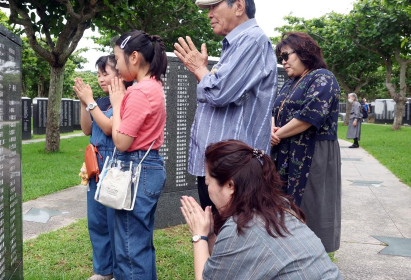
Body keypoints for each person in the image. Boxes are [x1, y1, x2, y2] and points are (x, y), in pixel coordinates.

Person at [180, 140, 342, 280]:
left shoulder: (240, 227)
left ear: (230, 186)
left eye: (208, 183)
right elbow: (226, 269)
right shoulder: (280, 207)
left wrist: (199, 236)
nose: (207, 190)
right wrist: (210, 236)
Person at [173, 0, 277, 216]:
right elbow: (220, 91)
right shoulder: (237, 45)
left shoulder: (252, 40)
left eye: (213, 7)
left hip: (234, 170)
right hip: (220, 166)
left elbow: (219, 93)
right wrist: (201, 72)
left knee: (231, 237)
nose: (209, 14)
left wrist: (200, 68)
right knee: (216, 233)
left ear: (239, 6)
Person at [271, 32, 342, 253]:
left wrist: (278, 134)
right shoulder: (290, 83)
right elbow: (275, 109)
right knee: (281, 211)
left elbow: (309, 116)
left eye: (286, 56)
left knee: (309, 212)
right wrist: (272, 129)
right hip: (285, 153)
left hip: (312, 155)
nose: (283, 62)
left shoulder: (323, 78)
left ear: (303, 52)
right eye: (280, 58)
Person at [107, 30, 168, 279]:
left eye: (118, 59)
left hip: (135, 169)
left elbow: (121, 141)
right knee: (140, 244)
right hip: (147, 167)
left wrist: (119, 102)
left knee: (129, 250)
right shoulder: (154, 86)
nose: (116, 66)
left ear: (133, 57)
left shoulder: (139, 92)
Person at [73, 55, 122, 280]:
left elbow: (111, 128)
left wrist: (90, 102)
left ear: (119, 73)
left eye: (106, 73)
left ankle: (119, 270)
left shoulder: (124, 99)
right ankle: (103, 270)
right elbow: (86, 130)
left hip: (115, 168)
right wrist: (85, 103)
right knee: (97, 221)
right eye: (99, 74)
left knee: (115, 222)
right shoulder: (100, 102)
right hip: (95, 167)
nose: (101, 79)